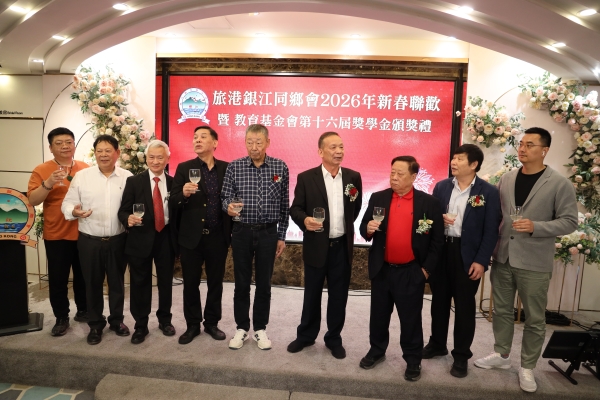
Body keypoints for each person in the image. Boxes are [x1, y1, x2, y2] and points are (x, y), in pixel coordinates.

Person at [474, 127, 578, 392]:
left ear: (544, 150)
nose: (522, 149)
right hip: (504, 256)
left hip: (534, 260)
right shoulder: (507, 178)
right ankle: (502, 354)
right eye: (521, 144)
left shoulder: (559, 183)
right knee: (501, 311)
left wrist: (536, 227)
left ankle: (528, 366)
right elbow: (497, 215)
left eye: (530, 145)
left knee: (534, 317)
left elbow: (569, 221)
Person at [358, 156, 444, 381]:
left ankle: (413, 360)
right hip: (382, 269)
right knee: (378, 316)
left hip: (411, 271)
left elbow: (437, 241)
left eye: (400, 174)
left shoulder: (429, 203)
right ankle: (377, 350)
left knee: (410, 319)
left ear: (413, 177)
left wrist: (425, 271)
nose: (394, 177)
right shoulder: (378, 197)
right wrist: (368, 228)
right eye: (392, 172)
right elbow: (363, 228)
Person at [423, 144, 501, 377]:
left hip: (468, 255)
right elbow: (430, 218)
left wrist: (481, 260)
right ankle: (437, 344)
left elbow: (491, 231)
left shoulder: (488, 192)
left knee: (465, 307)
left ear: (474, 164)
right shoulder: (442, 186)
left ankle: (461, 355)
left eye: (459, 159)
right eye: (453, 158)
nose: (453, 162)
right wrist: (439, 220)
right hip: (442, 251)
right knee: (439, 302)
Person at [287, 132, 362, 359]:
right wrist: (305, 220)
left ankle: (334, 338)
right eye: (333, 147)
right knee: (312, 295)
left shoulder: (353, 177)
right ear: (320, 151)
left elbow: (355, 208)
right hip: (316, 245)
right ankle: (306, 336)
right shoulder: (306, 178)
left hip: (341, 247)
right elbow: (295, 209)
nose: (339, 151)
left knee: (339, 296)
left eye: (341, 147)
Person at [221, 124, 289, 350]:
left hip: (269, 232)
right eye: (249, 142)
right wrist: (228, 207)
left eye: (258, 142)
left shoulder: (280, 167)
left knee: (264, 283)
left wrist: (281, 235)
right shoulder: (235, 166)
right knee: (241, 283)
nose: (254, 147)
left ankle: (260, 328)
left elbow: (284, 204)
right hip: (241, 231)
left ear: (267, 142)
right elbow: (225, 197)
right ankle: (242, 327)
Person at [61, 134, 132, 345]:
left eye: (108, 150)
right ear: (95, 153)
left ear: (117, 153)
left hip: (118, 240)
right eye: (99, 151)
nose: (103, 155)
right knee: (91, 284)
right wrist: (74, 212)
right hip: (89, 241)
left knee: (117, 283)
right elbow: (67, 204)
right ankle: (95, 324)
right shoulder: (82, 177)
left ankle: (117, 321)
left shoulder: (128, 177)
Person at [170, 126, 232, 345]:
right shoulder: (184, 168)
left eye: (203, 137)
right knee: (190, 283)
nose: (197, 140)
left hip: (217, 236)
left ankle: (212, 323)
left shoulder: (227, 168)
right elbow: (173, 200)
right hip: (191, 238)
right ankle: (193, 325)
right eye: (195, 137)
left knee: (216, 283)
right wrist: (183, 194)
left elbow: (232, 196)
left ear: (215, 143)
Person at [27, 127, 89, 336]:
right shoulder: (42, 170)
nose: (65, 146)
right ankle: (61, 317)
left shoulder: (85, 168)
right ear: (51, 147)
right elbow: (32, 200)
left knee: (84, 276)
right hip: (56, 233)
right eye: (59, 143)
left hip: (84, 231)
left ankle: (84, 310)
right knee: (58, 279)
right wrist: (48, 183)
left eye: (68, 142)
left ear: (74, 145)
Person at [117, 140, 177, 344]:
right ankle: (140, 325)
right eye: (151, 157)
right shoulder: (134, 182)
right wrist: (128, 219)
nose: (155, 161)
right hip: (140, 238)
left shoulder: (174, 182)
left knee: (165, 282)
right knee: (139, 283)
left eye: (160, 157)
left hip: (166, 238)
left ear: (167, 159)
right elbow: (123, 211)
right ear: (146, 158)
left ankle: (165, 320)